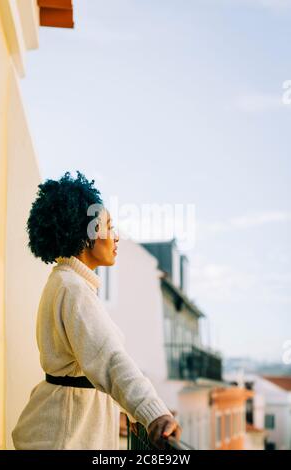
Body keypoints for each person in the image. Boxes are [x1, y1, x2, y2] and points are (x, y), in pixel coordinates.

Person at [12, 171, 182, 450]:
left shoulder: (67, 283)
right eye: (109, 226)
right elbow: (111, 358)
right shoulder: (72, 288)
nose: (116, 237)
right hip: (65, 439)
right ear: (84, 234)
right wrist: (154, 413)